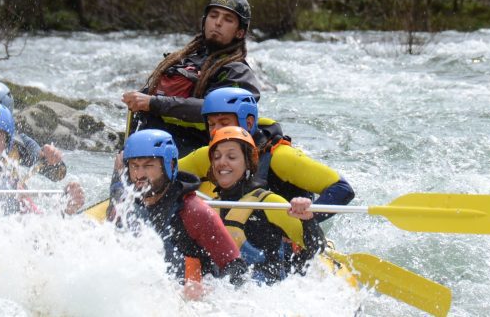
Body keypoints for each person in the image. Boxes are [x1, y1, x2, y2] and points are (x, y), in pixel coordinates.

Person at [180, 87, 355, 222]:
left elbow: (341, 189)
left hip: (283, 237)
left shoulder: (281, 157)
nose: (215, 131)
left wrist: (309, 216)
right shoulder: (209, 155)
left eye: (224, 123)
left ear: (248, 122)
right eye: (211, 124)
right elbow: (163, 173)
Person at [121, 0, 262, 156]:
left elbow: (216, 108)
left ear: (240, 32)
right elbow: (146, 100)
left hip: (198, 152)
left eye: (228, 19)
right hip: (154, 148)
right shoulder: (181, 60)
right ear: (204, 21)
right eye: (213, 15)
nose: (218, 22)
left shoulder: (237, 71)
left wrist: (154, 103)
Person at [115, 129, 245, 299]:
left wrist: (209, 292)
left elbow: (237, 269)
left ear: (169, 166)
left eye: (148, 166)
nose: (139, 175)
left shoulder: (194, 212)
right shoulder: (128, 207)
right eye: (134, 166)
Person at [206, 126, 325, 284]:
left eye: (232, 157)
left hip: (268, 296)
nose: (222, 162)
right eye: (217, 157)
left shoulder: (269, 203)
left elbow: (316, 247)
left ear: (248, 162)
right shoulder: (211, 208)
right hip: (227, 296)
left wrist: (307, 219)